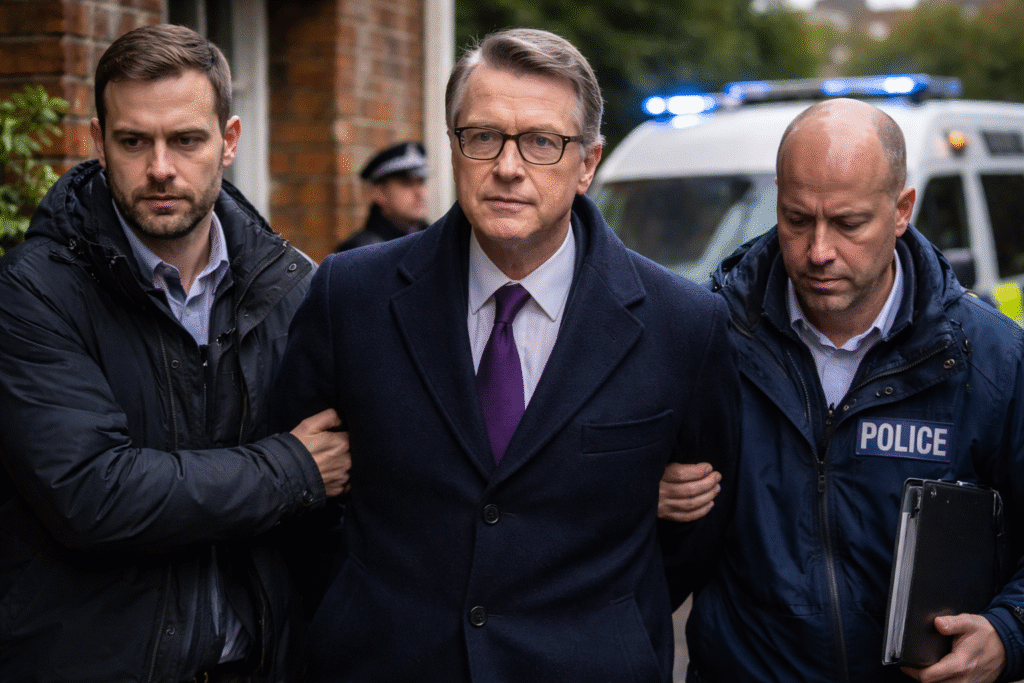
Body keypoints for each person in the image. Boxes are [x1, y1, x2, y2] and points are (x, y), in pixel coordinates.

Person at [272, 27, 739, 682]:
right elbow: (299, 499)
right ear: (453, 145)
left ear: (588, 163)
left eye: (542, 141)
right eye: (484, 136)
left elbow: (700, 531)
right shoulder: (350, 296)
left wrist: (608, 622)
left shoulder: (682, 323)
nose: (509, 167)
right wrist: (356, 612)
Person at [0, 24, 350, 683]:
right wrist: (292, 469)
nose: (160, 168)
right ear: (99, 142)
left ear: (229, 141)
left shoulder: (292, 289)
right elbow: (93, 493)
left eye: (186, 140)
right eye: (134, 141)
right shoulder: (34, 292)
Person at [660, 98, 1024, 682]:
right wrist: (643, 491)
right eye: (796, 219)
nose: (818, 251)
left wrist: (1007, 634)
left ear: (901, 209)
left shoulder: (994, 361)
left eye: (849, 224)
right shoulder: (703, 338)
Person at [335, 141, 429, 251]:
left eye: (421, 182)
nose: (420, 193)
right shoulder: (361, 251)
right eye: (406, 183)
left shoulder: (436, 239)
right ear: (379, 193)